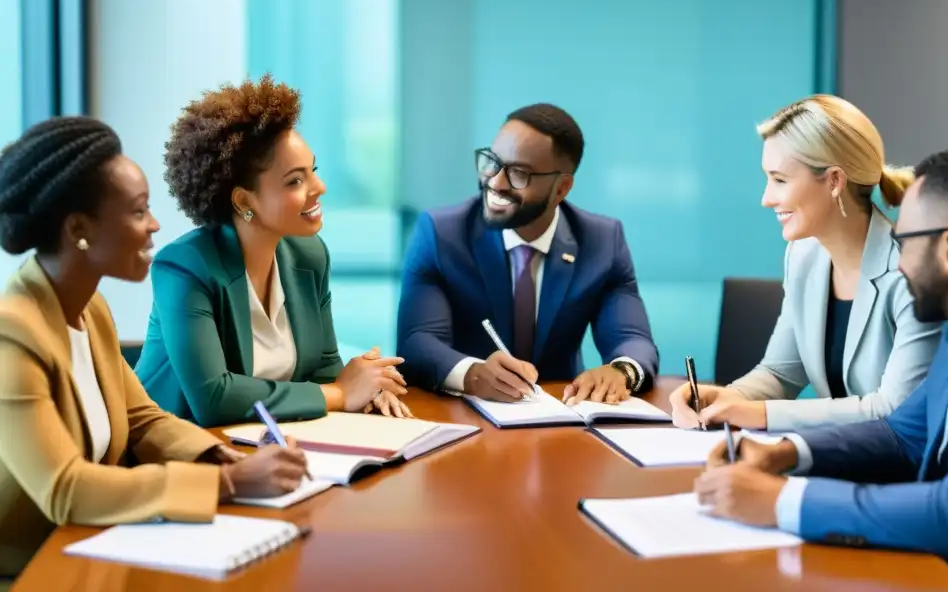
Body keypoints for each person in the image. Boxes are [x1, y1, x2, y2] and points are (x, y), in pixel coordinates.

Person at [694, 148, 948, 591]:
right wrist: (785, 453)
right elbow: (903, 434)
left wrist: (783, 501)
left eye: (904, 242)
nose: (898, 262)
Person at [0, 117, 307, 584]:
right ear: (80, 229)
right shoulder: (13, 335)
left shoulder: (91, 309)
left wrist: (219, 458)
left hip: (92, 548)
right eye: (138, 211)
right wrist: (226, 485)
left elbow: (144, 420)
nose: (154, 224)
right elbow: (64, 488)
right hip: (29, 569)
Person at [134, 75, 411, 427]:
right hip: (177, 450)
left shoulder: (309, 256)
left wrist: (369, 386)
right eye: (295, 181)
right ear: (244, 201)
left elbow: (324, 370)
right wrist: (341, 393)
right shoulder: (186, 267)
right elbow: (213, 398)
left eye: (313, 171)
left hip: (264, 446)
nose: (319, 187)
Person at [671, 95, 942, 431]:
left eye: (780, 180)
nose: (766, 198)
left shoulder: (910, 275)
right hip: (839, 459)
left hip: (900, 472)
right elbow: (780, 372)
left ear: (834, 181)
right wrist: (725, 398)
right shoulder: (804, 256)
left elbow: (894, 410)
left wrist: (761, 414)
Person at [396, 103, 659, 404]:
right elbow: (417, 342)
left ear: (561, 189)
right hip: (465, 415)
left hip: (563, 417)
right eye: (491, 162)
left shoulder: (602, 241)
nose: (495, 182)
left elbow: (633, 338)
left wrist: (620, 372)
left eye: (519, 173)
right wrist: (473, 374)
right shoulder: (442, 234)